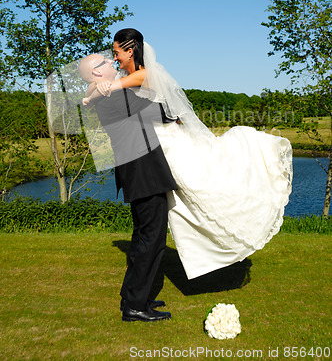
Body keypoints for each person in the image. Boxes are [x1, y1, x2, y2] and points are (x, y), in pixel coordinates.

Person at [87, 28, 293, 280]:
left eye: (117, 52)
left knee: (204, 186)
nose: (114, 57)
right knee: (181, 207)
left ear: (131, 51)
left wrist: (97, 88)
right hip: (151, 154)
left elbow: (114, 87)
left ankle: (237, 223)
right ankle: (169, 270)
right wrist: (95, 88)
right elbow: (108, 96)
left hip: (167, 145)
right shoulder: (126, 78)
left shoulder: (144, 74)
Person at [79, 52, 178, 322]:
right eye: (104, 62)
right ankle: (135, 306)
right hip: (144, 173)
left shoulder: (106, 93)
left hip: (136, 172)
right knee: (152, 240)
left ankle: (134, 294)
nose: (111, 62)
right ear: (97, 73)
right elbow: (162, 114)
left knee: (142, 238)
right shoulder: (116, 96)